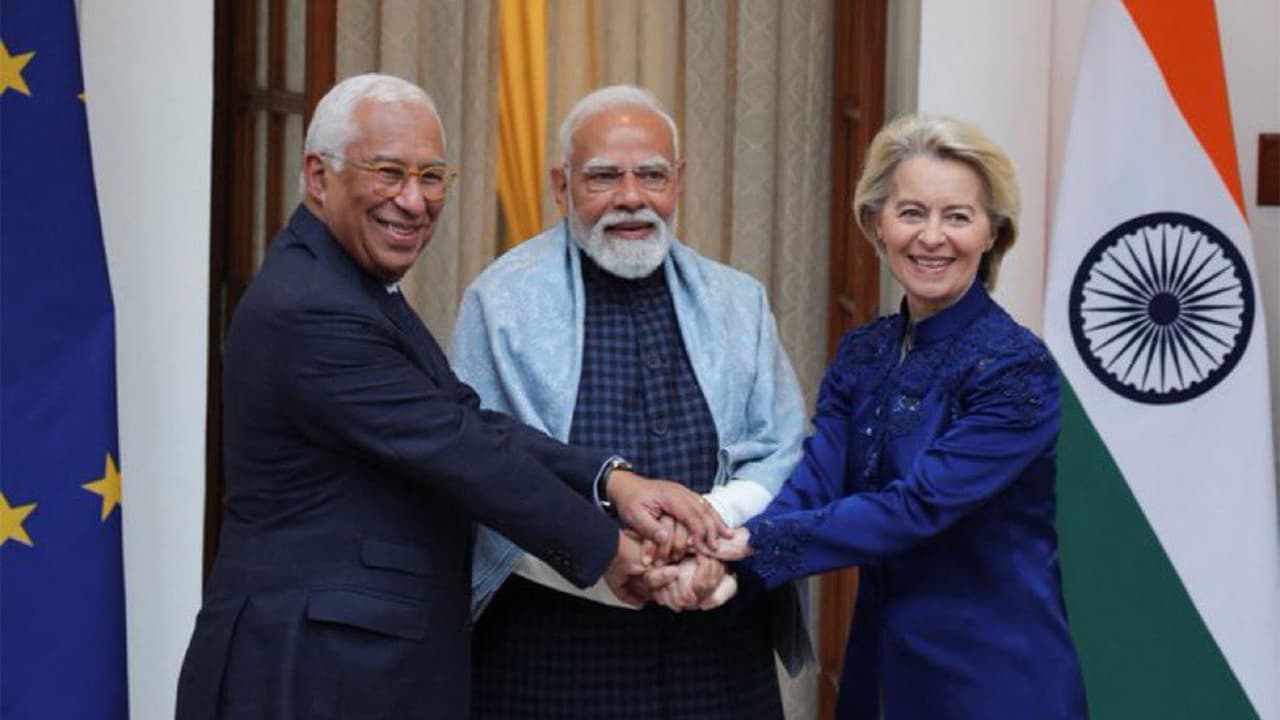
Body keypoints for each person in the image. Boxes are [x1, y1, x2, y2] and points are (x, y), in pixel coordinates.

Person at [174, 73, 724, 720]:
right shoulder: (311, 308)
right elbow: (459, 451)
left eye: (432, 176)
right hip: (308, 673)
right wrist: (607, 548)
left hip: (353, 665)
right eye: (388, 172)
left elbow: (463, 419)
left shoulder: (348, 281)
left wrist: (613, 481)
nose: (413, 200)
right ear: (319, 177)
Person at [449, 85, 813, 718]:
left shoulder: (738, 301)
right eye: (603, 177)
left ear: (679, 180)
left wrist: (709, 534)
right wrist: (614, 558)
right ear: (560, 186)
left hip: (717, 653)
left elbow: (782, 450)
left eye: (651, 175)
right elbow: (483, 471)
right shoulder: (500, 303)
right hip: (552, 658)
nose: (630, 197)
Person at [713, 114, 1088, 719]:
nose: (931, 237)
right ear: (876, 224)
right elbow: (814, 483)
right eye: (911, 212)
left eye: (957, 217)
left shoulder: (1017, 368)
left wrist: (747, 545)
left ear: (992, 233)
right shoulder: (865, 353)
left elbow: (917, 508)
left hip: (996, 681)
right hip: (880, 669)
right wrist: (720, 549)